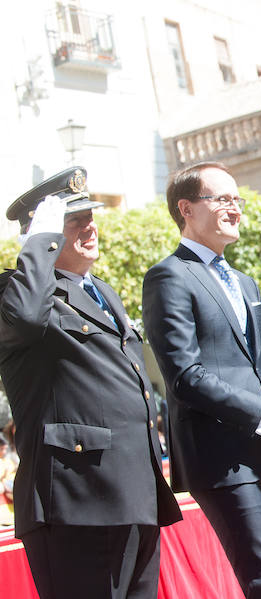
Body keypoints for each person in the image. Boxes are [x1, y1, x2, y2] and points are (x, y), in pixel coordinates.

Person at [0, 167, 182, 598]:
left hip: (132, 489)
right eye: (72, 220)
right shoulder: (18, 291)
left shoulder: (100, 291)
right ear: (39, 234)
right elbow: (25, 318)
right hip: (77, 498)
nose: (89, 226)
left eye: (90, 216)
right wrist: (37, 248)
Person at [142, 162, 261, 599]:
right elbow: (185, 377)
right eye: (222, 199)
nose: (235, 208)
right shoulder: (168, 277)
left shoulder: (246, 284)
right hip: (220, 459)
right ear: (187, 209)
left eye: (238, 199)